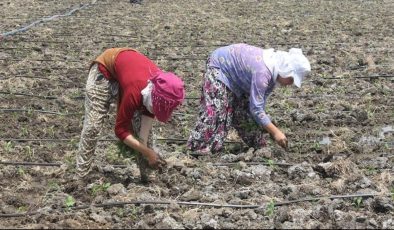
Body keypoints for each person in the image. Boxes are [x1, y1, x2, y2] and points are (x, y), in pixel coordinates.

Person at [76, 47, 185, 182]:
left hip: (128, 76)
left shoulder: (162, 87)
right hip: (104, 71)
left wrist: (144, 146)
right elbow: (120, 130)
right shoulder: (136, 90)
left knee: (144, 135)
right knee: (93, 126)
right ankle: (81, 175)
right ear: (155, 97)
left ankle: (149, 177)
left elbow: (148, 114)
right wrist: (147, 152)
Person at [187, 43, 311, 155]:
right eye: (291, 79)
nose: (290, 83)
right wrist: (275, 132)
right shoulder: (263, 73)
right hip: (220, 67)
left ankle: (258, 145)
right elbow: (256, 109)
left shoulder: (272, 76)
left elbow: (258, 105)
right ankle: (198, 146)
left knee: (244, 113)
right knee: (218, 110)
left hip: (238, 80)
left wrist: (268, 124)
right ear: (285, 70)